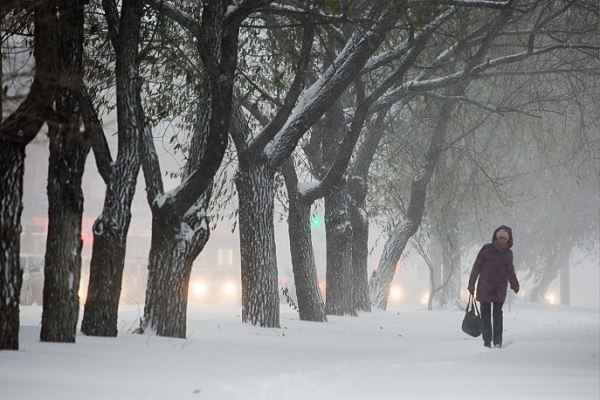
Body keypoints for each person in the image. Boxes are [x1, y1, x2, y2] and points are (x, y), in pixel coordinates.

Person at [467, 225, 520, 348]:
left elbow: (510, 271)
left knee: (497, 315)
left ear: (508, 240)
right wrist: (471, 284)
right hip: (485, 287)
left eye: (504, 238)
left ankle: (497, 342)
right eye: (500, 237)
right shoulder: (486, 249)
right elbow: (477, 267)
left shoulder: (508, 254)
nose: (501, 240)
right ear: (496, 237)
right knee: (485, 315)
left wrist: (514, 284)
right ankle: (487, 341)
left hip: (499, 288)